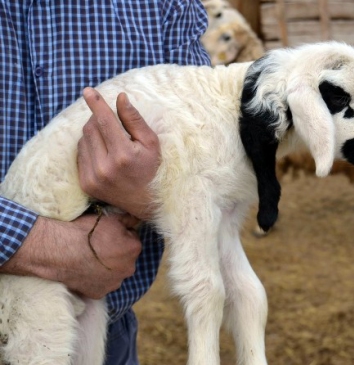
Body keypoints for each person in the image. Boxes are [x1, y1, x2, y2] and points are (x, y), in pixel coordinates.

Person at [0, 1, 211, 363]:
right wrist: (32, 243)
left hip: (103, 333)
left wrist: (155, 189)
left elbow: (211, 149)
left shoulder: (166, 6)